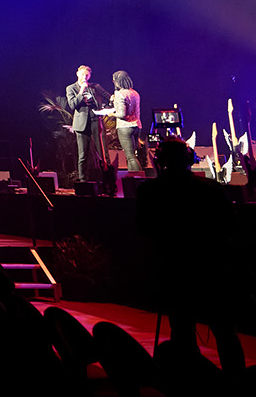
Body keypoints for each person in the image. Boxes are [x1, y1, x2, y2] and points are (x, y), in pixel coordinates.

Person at [136, 139, 245, 375]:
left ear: (160, 161)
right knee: (225, 333)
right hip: (212, 271)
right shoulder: (211, 188)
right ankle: (237, 384)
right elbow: (232, 227)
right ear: (190, 159)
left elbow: (143, 228)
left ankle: (190, 383)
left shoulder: (148, 191)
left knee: (182, 333)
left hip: (174, 272)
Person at [98, 70, 145, 172]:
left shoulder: (120, 94)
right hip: (136, 126)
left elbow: (122, 114)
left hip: (125, 127)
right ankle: (133, 177)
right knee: (133, 155)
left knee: (130, 157)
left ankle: (138, 177)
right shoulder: (135, 93)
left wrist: (111, 114)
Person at [65, 65, 103, 181]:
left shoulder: (94, 87)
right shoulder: (71, 88)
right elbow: (72, 105)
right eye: (82, 74)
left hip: (95, 121)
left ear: (90, 76)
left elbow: (101, 101)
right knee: (83, 154)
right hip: (81, 124)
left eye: (87, 75)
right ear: (77, 74)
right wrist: (81, 91)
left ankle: (104, 180)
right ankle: (83, 181)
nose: (84, 77)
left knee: (101, 153)